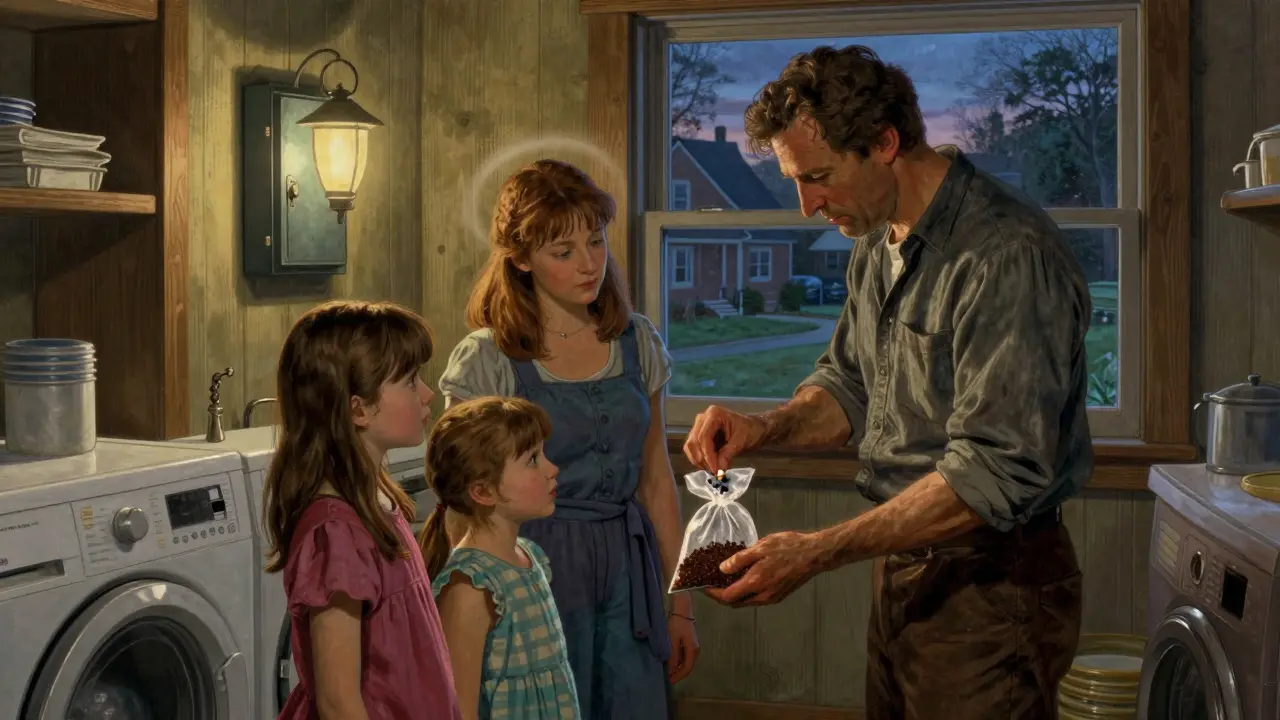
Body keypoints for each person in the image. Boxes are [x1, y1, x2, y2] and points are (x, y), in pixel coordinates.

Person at [682, 46, 1092, 719]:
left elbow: (991, 475)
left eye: (817, 177)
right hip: (904, 568)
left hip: (993, 583)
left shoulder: (1005, 255)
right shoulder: (877, 237)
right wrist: (767, 427)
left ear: (885, 142)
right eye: (792, 180)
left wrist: (814, 552)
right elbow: (850, 386)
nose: (807, 205)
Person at [438, 159, 698, 718]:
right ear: (521, 258)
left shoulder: (636, 340)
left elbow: (657, 481)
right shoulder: (488, 358)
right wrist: (479, 608)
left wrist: (681, 605)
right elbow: (464, 508)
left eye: (596, 242)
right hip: (533, 562)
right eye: (564, 252)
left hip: (630, 569)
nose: (589, 265)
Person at [262, 300, 461, 720]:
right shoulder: (336, 532)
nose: (426, 393)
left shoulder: (375, 502)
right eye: (410, 381)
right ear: (358, 409)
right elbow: (338, 702)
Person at [420, 396, 581, 719]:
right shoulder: (470, 586)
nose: (552, 468)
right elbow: (458, 708)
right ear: (483, 492)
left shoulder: (529, 555)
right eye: (533, 459)